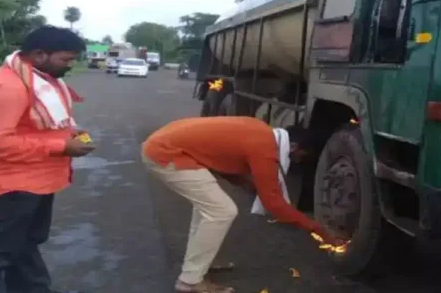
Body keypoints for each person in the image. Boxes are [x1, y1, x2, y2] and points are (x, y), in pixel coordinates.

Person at [141, 116, 341, 293]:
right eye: (301, 157)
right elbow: (274, 204)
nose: (298, 161)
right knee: (222, 210)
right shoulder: (265, 149)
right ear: (295, 146)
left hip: (165, 144)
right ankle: (190, 282)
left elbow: (221, 157)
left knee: (208, 208)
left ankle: (200, 263)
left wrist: (247, 184)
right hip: (166, 153)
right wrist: (317, 228)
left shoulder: (261, 130)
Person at [0, 25, 95, 293]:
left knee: (24, 244)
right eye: (66, 59)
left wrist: (70, 133)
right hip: (12, 187)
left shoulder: (43, 79)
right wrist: (61, 145)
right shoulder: (9, 87)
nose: (70, 65)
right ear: (39, 54)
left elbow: (42, 123)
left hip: (37, 183)